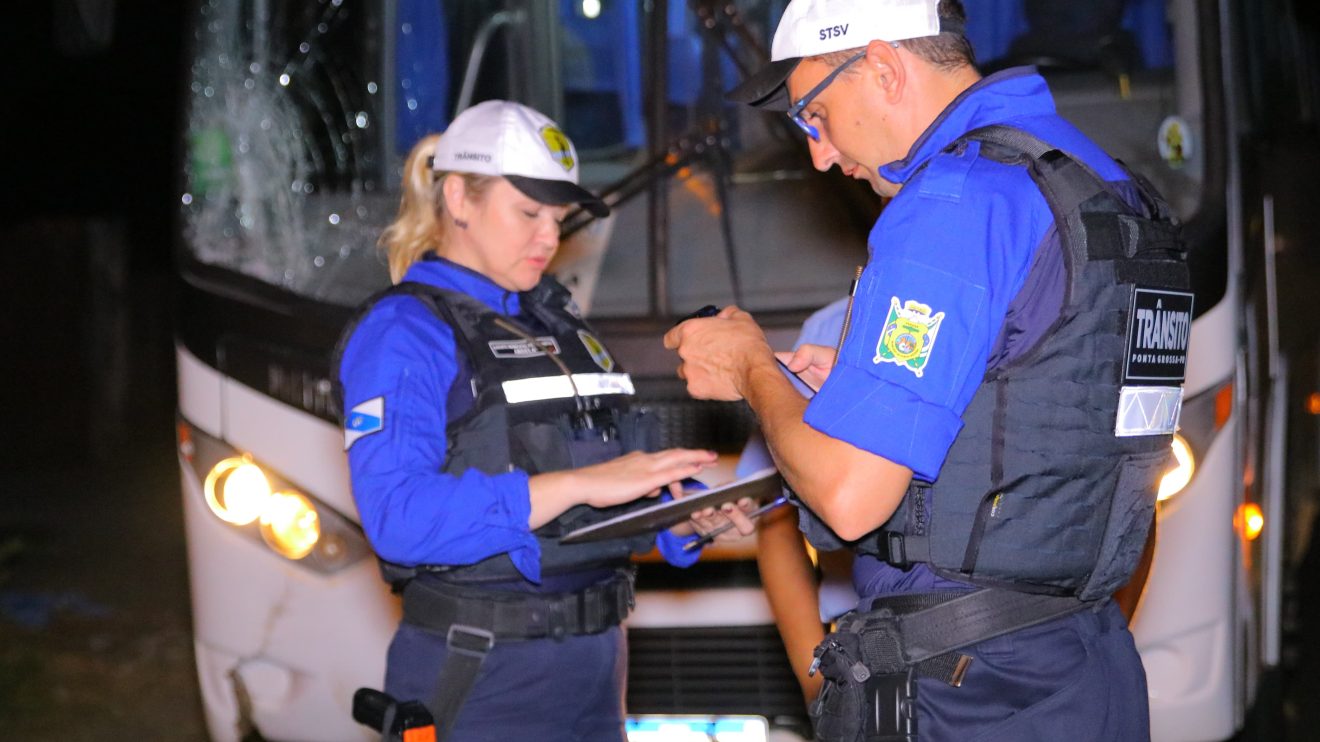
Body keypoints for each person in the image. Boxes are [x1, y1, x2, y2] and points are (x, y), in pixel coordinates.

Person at [665, 1, 1191, 739]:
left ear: (881, 67)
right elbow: (1053, 403)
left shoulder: (952, 201)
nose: (818, 153)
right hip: (1086, 666)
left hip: (967, 691)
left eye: (814, 114)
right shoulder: (1105, 188)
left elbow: (850, 500)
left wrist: (753, 368)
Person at [337, 100, 755, 742]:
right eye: (528, 213)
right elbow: (397, 519)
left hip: (597, 669)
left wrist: (683, 515)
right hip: (480, 674)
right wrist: (581, 486)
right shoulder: (405, 331)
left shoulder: (558, 322)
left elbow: (595, 473)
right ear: (458, 198)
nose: (549, 239)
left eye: (558, 219)